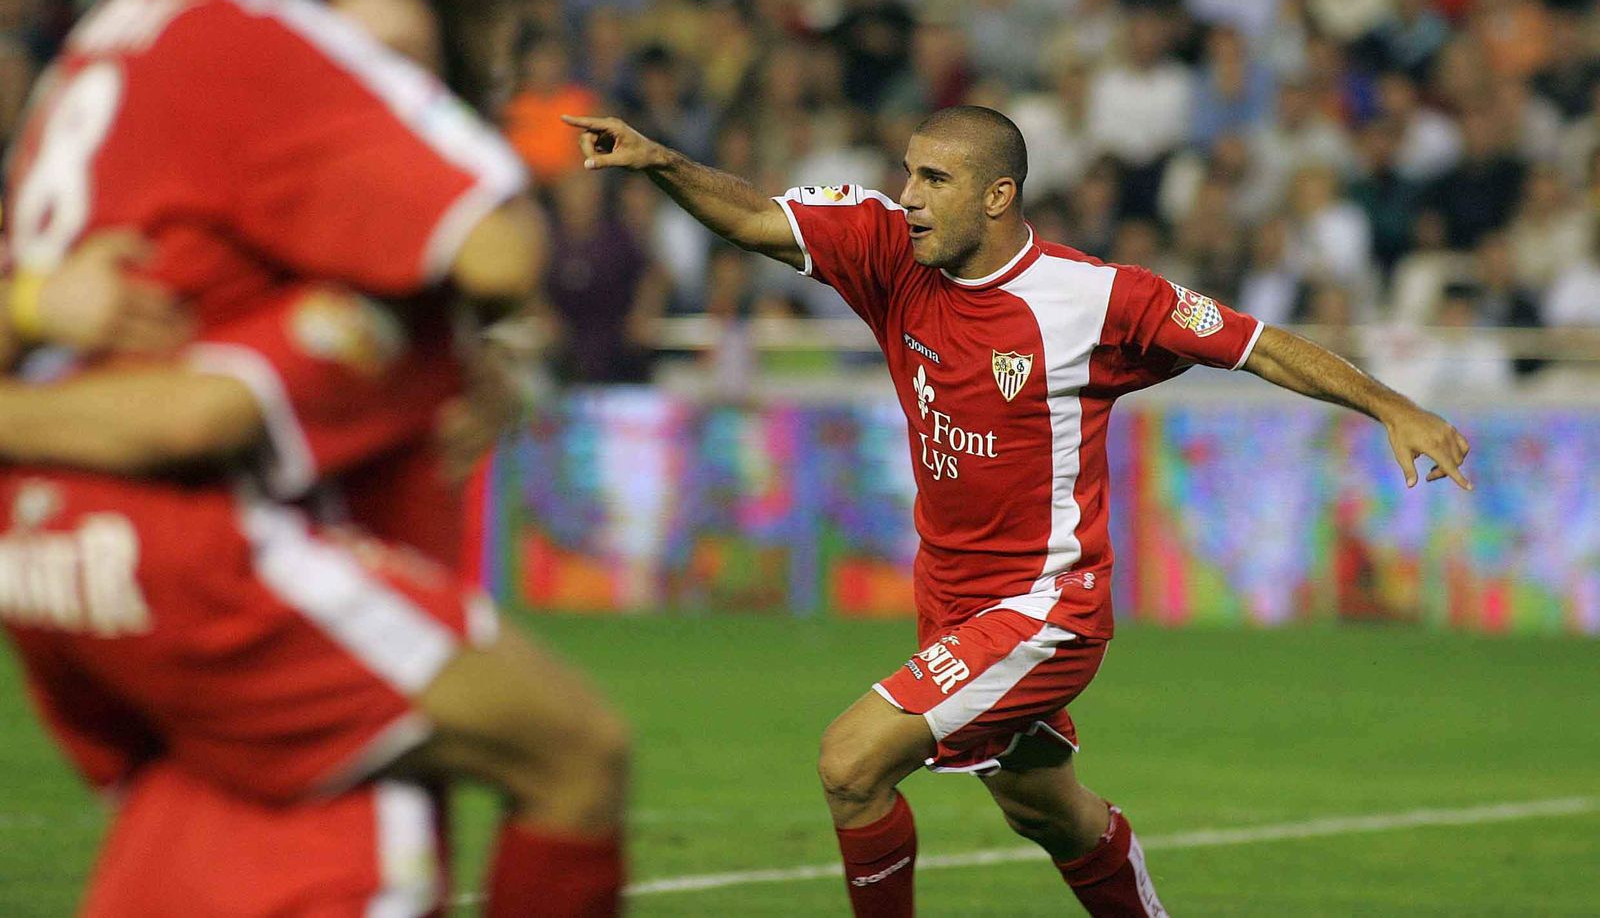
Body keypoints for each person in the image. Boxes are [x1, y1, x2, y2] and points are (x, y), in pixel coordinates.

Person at [562, 104, 1472, 917]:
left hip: (1046, 608)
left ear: (998, 196)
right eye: (908, 172)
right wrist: (658, 161)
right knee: (1050, 810)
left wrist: (1393, 405)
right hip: (950, 600)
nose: (907, 195)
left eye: (933, 179)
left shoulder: (1095, 298)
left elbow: (1258, 344)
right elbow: (758, 217)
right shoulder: (887, 250)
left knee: (851, 763)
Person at [1, 0, 625, 914]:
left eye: (401, 70)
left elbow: (498, 317)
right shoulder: (311, 248)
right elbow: (198, 413)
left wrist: (499, 360)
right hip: (188, 555)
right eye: (359, 62)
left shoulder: (111, 50)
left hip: (69, 565)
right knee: (570, 749)